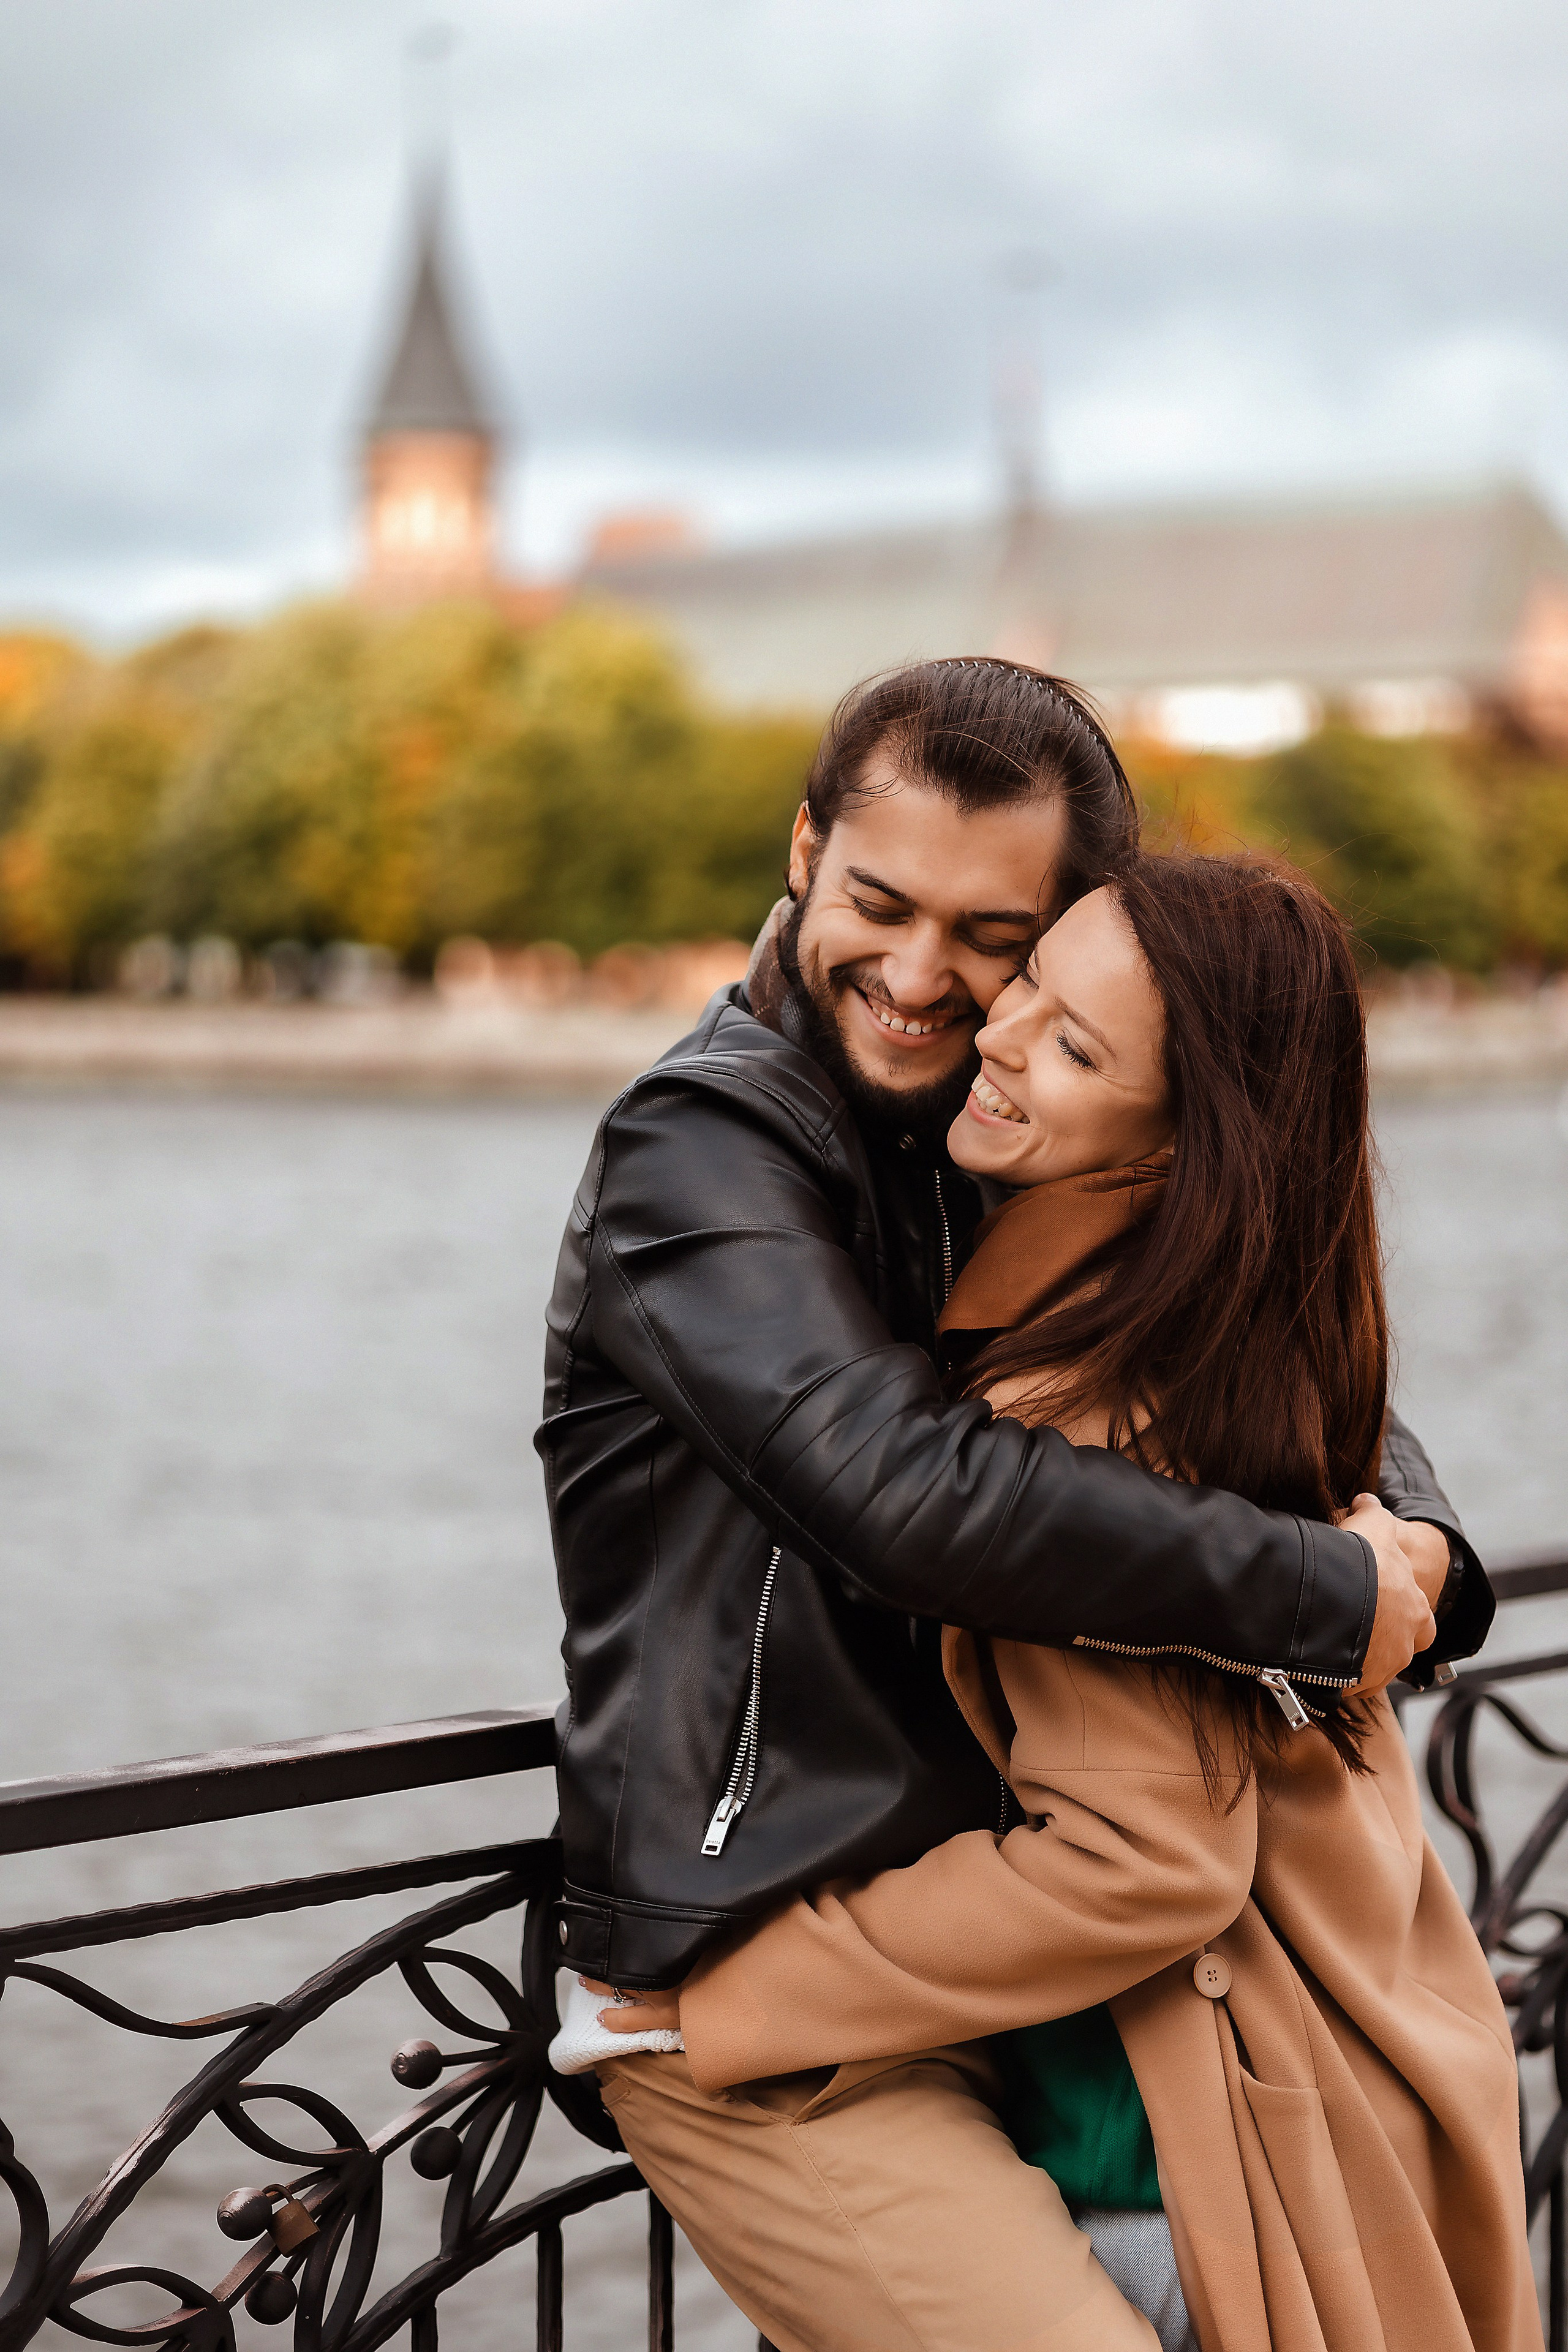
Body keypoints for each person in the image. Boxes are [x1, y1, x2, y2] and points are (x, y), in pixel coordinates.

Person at [589, 851, 1537, 2352]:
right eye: (1031, 980)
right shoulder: (1243, 1327)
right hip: (1361, 2080)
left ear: (1178, 1144)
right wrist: (1407, 1551)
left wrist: (730, 2000)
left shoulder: (1079, 1402)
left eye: (1076, 1042)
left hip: (1179, 2184)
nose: (998, 1028)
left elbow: (1140, 1863)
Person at [540, 657, 1482, 1999]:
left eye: (993, 939)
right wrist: (1327, 1593)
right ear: (805, 847)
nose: (920, 979)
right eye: (876, 903)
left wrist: (1427, 1554)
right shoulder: (698, 1143)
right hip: (751, 1936)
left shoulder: (990, 1117)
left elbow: (1241, 1330)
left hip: (1000, 1938)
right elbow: (899, 1491)